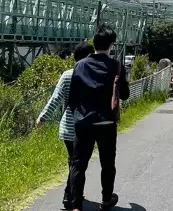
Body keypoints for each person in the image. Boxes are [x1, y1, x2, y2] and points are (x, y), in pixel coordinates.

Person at [66, 25, 130, 211]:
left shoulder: (80, 65)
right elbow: (124, 95)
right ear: (111, 45)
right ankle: (106, 199)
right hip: (107, 122)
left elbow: (72, 98)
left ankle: (76, 205)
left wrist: (78, 115)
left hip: (84, 121)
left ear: (94, 43)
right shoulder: (116, 66)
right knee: (107, 163)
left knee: (78, 164)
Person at [36, 40, 95, 210]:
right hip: (87, 127)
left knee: (74, 161)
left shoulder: (67, 74)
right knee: (79, 164)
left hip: (68, 127)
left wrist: (42, 117)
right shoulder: (93, 75)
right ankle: (71, 194)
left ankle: (71, 194)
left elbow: (56, 99)